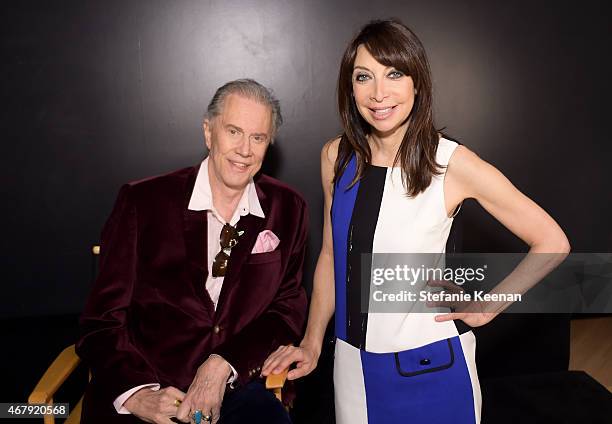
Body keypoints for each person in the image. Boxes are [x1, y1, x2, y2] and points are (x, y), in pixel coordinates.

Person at [262, 19, 570, 424]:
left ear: (416, 83)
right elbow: (332, 257)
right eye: (363, 77)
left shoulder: (453, 163)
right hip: (352, 369)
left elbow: (552, 241)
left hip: (434, 370)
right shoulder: (335, 157)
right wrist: (313, 342)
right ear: (349, 88)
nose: (378, 93)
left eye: (394, 74)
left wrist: (487, 307)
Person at [76, 79, 308, 424]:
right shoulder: (143, 202)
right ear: (208, 132)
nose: (245, 149)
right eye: (233, 131)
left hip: (234, 387)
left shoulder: (288, 208)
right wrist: (139, 395)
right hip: (150, 386)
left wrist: (223, 363)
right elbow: (101, 323)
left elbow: (287, 308)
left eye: (257, 138)